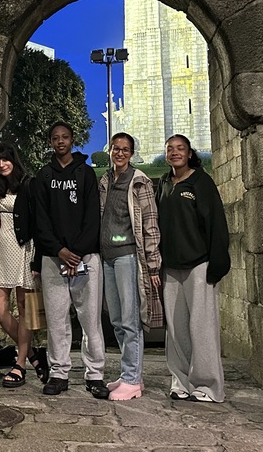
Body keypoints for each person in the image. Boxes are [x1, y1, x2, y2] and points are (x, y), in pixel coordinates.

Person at [32, 121, 107, 399]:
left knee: (89, 319)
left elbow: (92, 217)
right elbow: (41, 219)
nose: (60, 141)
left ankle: (95, 374)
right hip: (53, 259)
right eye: (55, 138)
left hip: (85, 257)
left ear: (73, 140)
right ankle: (59, 372)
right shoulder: (43, 176)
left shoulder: (86, 174)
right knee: (57, 320)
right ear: (51, 142)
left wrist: (76, 251)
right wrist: (59, 250)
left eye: (65, 137)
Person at [155, 134, 230, 403]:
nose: (175, 153)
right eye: (170, 149)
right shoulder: (164, 183)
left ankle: (208, 386)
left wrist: (217, 264)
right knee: (176, 329)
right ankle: (181, 381)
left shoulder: (201, 182)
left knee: (202, 326)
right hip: (171, 267)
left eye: (180, 148)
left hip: (199, 264)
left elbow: (217, 224)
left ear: (189, 153)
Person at [98, 132, 162, 401]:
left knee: (130, 319)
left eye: (125, 149)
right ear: (110, 150)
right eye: (116, 148)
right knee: (115, 320)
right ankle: (129, 373)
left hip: (127, 257)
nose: (120, 153)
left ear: (131, 153)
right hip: (107, 258)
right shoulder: (105, 180)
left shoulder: (140, 182)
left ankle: (132, 380)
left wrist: (153, 263)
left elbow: (150, 223)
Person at [0, 142, 48, 388]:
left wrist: (38, 258)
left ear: (14, 159)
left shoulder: (28, 184)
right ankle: (34, 354)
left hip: (24, 248)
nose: (2, 164)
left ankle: (20, 364)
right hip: (2, 250)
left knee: (25, 309)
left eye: (5, 159)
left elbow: (39, 220)